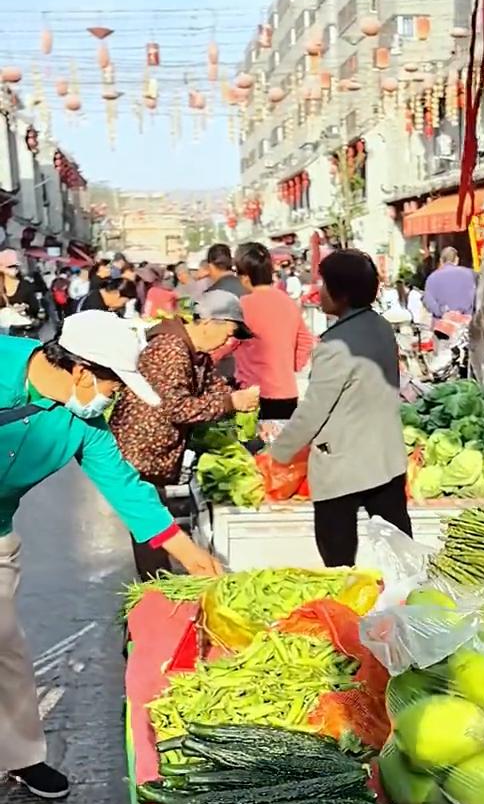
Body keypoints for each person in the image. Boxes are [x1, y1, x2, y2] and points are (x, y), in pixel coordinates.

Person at [0, 311, 221, 800]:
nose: (115, 395)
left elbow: (125, 487)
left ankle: (21, 756)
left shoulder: (86, 427)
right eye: (113, 384)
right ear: (80, 371)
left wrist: (186, 551)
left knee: (4, 644)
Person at [270, 249, 410, 566]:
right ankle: (408, 610)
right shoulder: (381, 327)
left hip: (343, 465)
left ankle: (348, 613)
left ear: (341, 294)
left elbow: (314, 409)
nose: (319, 291)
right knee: (401, 554)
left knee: (338, 562)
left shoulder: (336, 345)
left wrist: (280, 451)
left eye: (324, 284)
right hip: (386, 458)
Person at [111, 291, 259, 580]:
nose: (229, 343)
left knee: (153, 519)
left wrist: (236, 402)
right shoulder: (170, 348)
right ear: (209, 322)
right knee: (149, 523)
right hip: (140, 449)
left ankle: (158, 586)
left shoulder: (196, 354)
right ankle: (157, 592)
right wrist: (232, 403)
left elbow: (214, 388)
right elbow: (176, 408)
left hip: (157, 451)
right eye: (228, 334)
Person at [234, 241, 315, 420]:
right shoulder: (288, 303)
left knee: (254, 445)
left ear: (245, 277)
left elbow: (226, 343)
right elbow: (306, 340)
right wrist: (289, 366)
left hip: (252, 393)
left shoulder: (243, 306)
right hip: (286, 391)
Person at [423, 246, 476, 322]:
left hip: (442, 324)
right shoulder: (470, 274)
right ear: (457, 260)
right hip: (465, 322)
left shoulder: (432, 278)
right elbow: (476, 297)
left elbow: (428, 302)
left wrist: (441, 312)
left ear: (441, 261)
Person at [0, 249, 39, 320]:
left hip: (20, 327)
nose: (14, 269)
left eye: (16, 266)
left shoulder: (26, 286)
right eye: (10, 266)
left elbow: (35, 309)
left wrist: (25, 308)